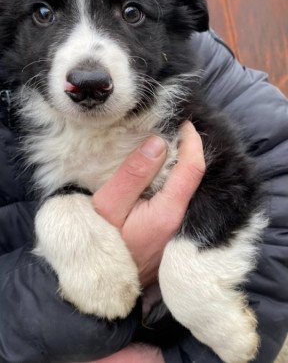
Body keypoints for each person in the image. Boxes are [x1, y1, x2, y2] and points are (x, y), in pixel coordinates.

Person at [0, 23, 288, 363]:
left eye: (131, 12)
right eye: (45, 13)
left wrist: (191, 298)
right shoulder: (49, 146)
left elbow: (256, 176)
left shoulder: (182, 96)